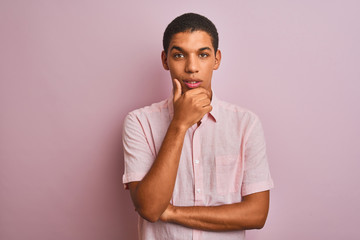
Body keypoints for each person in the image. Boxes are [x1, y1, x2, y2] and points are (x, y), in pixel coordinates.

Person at [122, 13, 274, 240]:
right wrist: (179, 124)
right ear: (165, 60)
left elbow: (256, 214)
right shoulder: (139, 122)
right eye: (179, 55)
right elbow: (151, 208)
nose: (192, 67)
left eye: (203, 54)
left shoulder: (245, 123)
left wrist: (172, 212)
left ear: (216, 59)